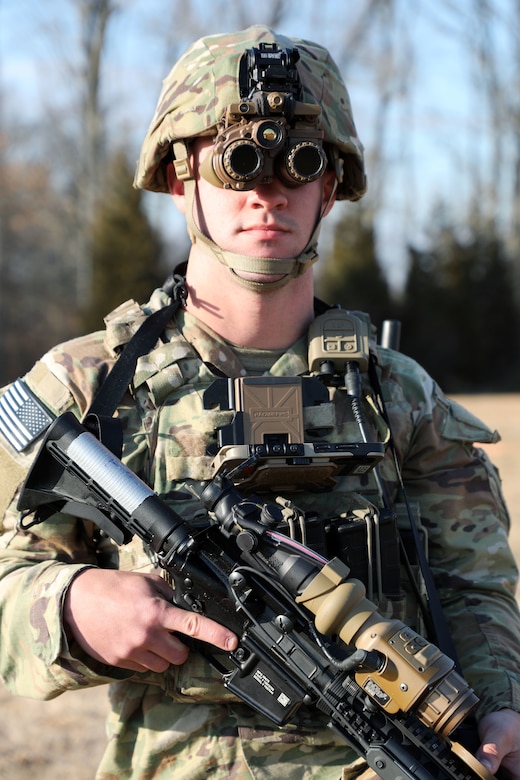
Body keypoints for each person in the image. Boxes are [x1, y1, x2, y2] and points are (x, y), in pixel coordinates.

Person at [0, 24, 519, 780]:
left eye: (298, 162)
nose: (267, 189)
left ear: (330, 187)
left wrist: (501, 705)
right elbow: (12, 584)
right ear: (182, 181)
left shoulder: (398, 393)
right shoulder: (89, 387)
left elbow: (475, 580)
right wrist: (75, 604)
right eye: (236, 160)